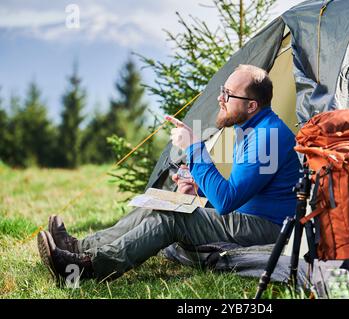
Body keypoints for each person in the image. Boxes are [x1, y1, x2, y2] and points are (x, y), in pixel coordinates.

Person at [37, 64, 301, 281]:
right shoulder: (252, 129)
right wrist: (197, 187)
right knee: (161, 202)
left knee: (173, 218)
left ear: (251, 106)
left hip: (269, 228)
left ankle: (87, 268)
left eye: (228, 94)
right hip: (248, 216)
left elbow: (227, 201)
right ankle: (78, 248)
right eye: (223, 90)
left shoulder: (269, 137)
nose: (220, 98)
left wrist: (195, 148)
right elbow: (242, 190)